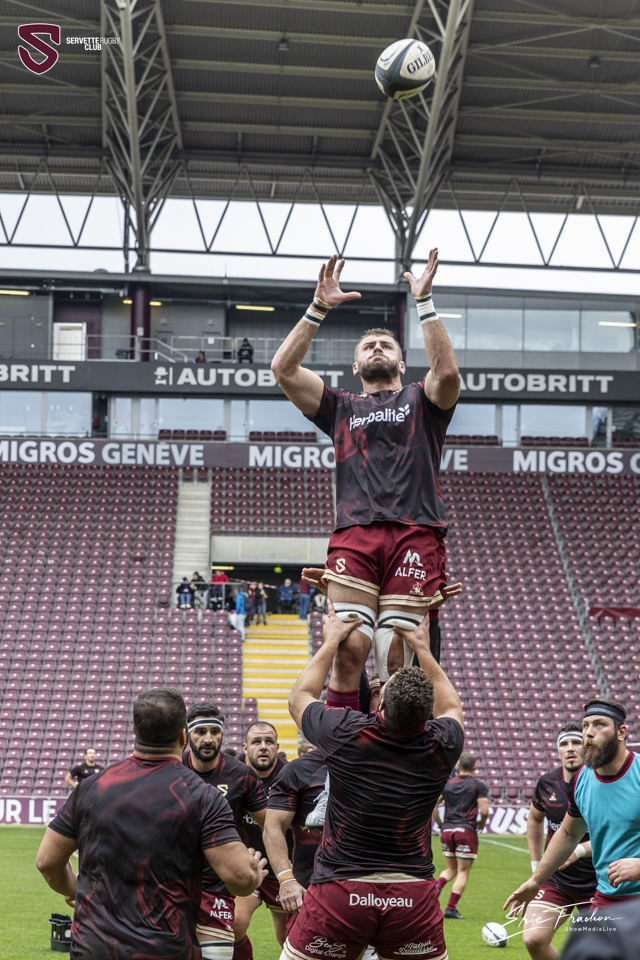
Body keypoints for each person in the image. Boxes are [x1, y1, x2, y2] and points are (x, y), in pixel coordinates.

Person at [271, 251, 460, 706]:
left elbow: (448, 372)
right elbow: (283, 370)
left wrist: (425, 303)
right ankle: (344, 742)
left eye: (387, 346)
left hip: (416, 532)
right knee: (350, 645)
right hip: (355, 533)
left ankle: (400, 742)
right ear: (355, 367)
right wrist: (318, 307)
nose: (377, 348)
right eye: (369, 347)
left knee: (399, 655)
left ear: (403, 364)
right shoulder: (340, 406)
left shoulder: (423, 401)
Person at [280, 600, 464, 960]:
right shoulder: (444, 743)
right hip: (412, 895)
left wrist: (330, 641)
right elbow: (451, 707)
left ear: (379, 706)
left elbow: (299, 698)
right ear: (428, 715)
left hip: (341, 891)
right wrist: (424, 650)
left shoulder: (347, 733)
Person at [36, 687, 266, 960]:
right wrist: (254, 873)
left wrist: (74, 886)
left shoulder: (91, 787)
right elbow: (240, 879)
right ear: (183, 735)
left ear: (135, 731)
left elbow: (47, 861)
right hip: (165, 949)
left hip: (94, 948)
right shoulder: (204, 797)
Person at [504, 698, 640, 924]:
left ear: (621, 732)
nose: (589, 733)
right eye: (585, 725)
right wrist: (536, 880)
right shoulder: (581, 780)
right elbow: (568, 834)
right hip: (607, 897)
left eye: (599, 724)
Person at [182, 703, 269, 960]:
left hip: (219, 883)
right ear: (187, 734)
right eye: (200, 732)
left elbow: (270, 826)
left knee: (229, 939)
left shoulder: (242, 775)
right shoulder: (173, 769)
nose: (208, 739)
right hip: (176, 880)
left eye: (215, 731)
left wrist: (283, 869)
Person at [521, 723, 596, 960]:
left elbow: (614, 836)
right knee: (533, 939)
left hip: (600, 882)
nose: (570, 748)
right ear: (558, 750)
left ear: (587, 746)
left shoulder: (601, 783)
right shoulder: (547, 783)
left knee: (602, 949)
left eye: (576, 742)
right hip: (557, 880)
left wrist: (578, 850)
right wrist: (536, 868)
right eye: (564, 744)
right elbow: (535, 819)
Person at [236, 722, 289, 956]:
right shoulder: (232, 774)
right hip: (247, 864)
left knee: (288, 937)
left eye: (269, 742)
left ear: (278, 746)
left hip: (282, 867)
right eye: (256, 742)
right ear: (245, 747)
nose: (263, 746)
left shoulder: (291, 776)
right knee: (235, 924)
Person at [263, 745, 328, 915]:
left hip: (373, 885)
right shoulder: (298, 769)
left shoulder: (382, 765)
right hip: (310, 885)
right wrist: (286, 879)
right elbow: (273, 827)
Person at [432, 751, 489, 919]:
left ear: (457, 766)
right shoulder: (478, 785)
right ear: (475, 767)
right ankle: (450, 909)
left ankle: (433, 893)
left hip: (447, 831)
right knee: (463, 872)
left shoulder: (447, 784)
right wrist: (482, 822)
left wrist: (441, 824)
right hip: (465, 830)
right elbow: (484, 811)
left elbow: (433, 806)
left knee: (450, 869)